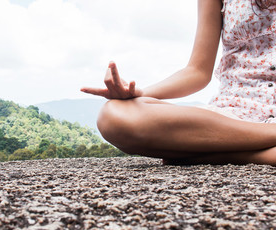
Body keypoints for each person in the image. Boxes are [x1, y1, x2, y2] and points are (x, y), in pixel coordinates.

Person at [81, 0, 276, 166]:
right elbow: (197, 71)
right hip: (231, 117)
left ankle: (224, 154)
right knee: (113, 116)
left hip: (231, 131)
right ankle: (259, 147)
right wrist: (140, 94)